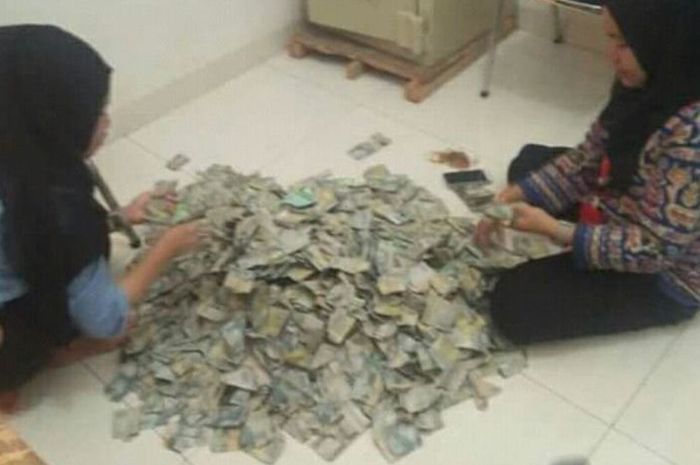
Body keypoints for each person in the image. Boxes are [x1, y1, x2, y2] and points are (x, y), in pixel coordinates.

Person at [0, 25, 203, 410]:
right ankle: (37, 364)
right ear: (53, 123)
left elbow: (26, 239)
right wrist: (166, 248)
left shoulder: (18, 156)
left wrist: (117, 217)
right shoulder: (58, 213)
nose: (107, 122)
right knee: (111, 330)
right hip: (8, 328)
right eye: (96, 113)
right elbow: (105, 317)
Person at [476, 0, 699, 344]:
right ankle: (586, 212)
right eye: (610, 39)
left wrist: (557, 230)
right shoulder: (648, 77)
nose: (612, 56)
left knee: (512, 304)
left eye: (624, 43)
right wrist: (512, 196)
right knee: (527, 164)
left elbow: (655, 250)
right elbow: (589, 159)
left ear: (663, 38)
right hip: (626, 202)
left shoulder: (691, 138)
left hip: (665, 273)